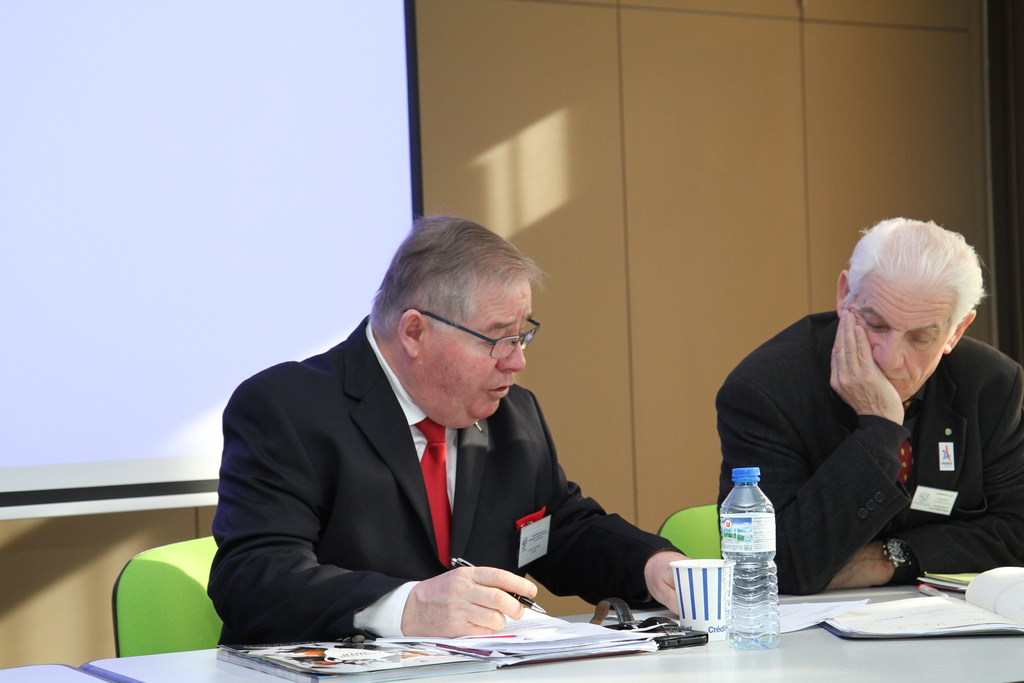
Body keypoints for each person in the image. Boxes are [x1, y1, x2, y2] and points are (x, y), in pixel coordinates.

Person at [209, 215, 686, 643]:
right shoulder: (286, 407)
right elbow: (252, 577)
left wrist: (652, 565)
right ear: (414, 332)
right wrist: (407, 607)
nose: (517, 361)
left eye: (522, 335)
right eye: (498, 338)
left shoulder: (513, 414)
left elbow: (557, 531)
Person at [716, 218, 1024, 595]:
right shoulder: (766, 389)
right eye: (876, 325)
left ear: (956, 331)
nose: (889, 358)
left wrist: (889, 559)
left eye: (920, 338)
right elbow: (776, 564)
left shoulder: (990, 383)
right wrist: (880, 431)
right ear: (844, 295)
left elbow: (1017, 530)